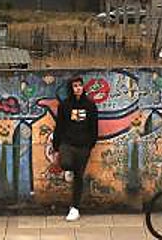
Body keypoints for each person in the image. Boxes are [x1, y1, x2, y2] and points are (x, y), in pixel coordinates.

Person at [52, 75, 98, 222]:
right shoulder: (64, 105)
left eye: (80, 85)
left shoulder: (90, 105)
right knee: (65, 164)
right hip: (67, 143)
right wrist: (56, 145)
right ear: (71, 89)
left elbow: (94, 126)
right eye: (75, 86)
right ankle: (69, 171)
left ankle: (75, 208)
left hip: (83, 145)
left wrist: (90, 143)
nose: (78, 88)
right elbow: (59, 126)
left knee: (79, 177)